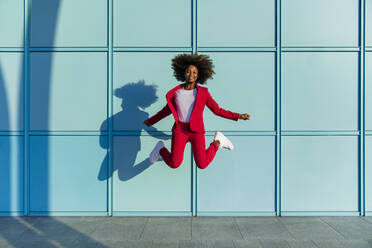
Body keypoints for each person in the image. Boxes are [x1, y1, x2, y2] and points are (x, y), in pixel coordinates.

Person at [144, 53, 250, 169]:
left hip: (196, 131)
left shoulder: (203, 93)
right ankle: (161, 149)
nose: (191, 74)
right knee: (175, 163)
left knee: (202, 164)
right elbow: (165, 111)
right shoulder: (176, 93)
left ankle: (218, 141)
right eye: (188, 71)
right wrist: (151, 121)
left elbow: (217, 110)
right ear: (183, 73)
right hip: (180, 130)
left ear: (198, 75)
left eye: (194, 72)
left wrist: (238, 116)